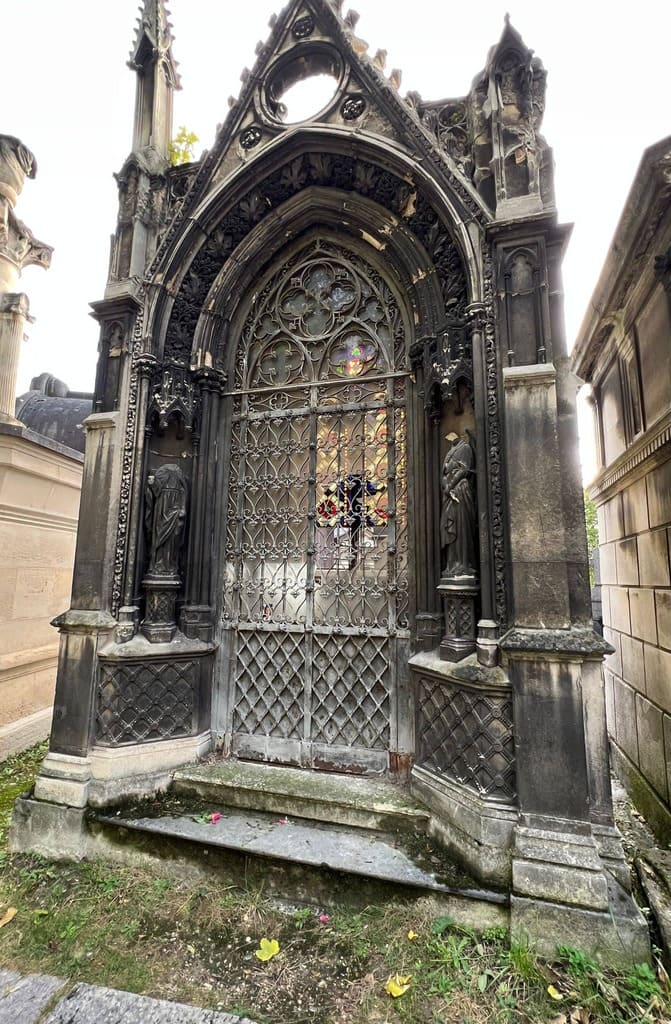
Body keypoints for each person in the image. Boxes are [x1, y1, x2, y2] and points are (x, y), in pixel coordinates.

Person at [440, 432, 477, 577]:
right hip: (449, 494)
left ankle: (463, 564)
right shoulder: (450, 452)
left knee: (461, 527)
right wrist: (446, 487)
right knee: (449, 526)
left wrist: (450, 486)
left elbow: (464, 470)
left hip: (460, 491)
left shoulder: (465, 448)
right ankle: (452, 564)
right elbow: (443, 474)